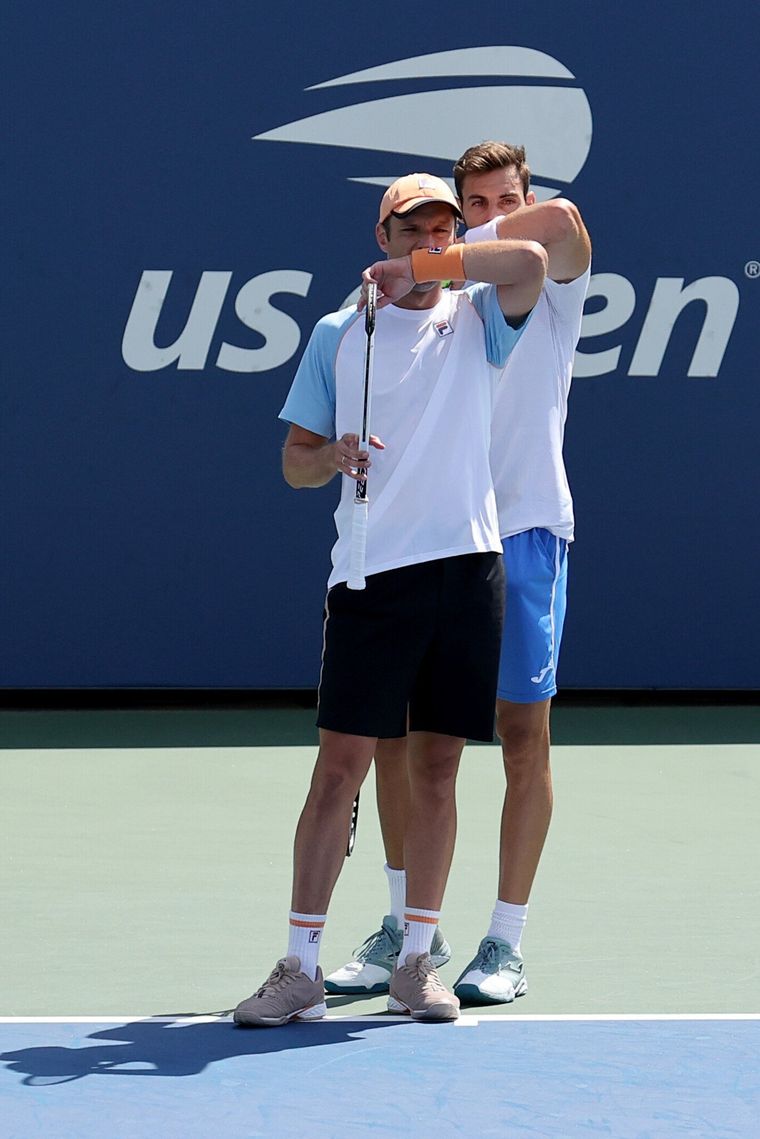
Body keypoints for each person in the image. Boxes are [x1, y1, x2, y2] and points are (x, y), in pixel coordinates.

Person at [232, 173, 547, 1026]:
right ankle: (299, 964)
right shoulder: (339, 334)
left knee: (439, 770)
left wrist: (436, 266)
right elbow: (293, 462)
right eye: (414, 228)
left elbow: (528, 254)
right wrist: (331, 455)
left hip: (469, 571)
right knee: (341, 770)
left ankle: (417, 959)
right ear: (383, 236)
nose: (432, 238)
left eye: (444, 225)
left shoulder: (480, 315)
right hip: (371, 577)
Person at [325, 142, 591, 1004]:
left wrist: (428, 256)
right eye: (472, 204)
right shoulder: (454, 308)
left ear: (525, 195)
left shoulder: (542, 286)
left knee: (522, 736)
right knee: (404, 742)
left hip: (524, 536)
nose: (489, 216)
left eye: (501, 199)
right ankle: (407, 926)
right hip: (441, 545)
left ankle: (505, 941)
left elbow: (557, 230)